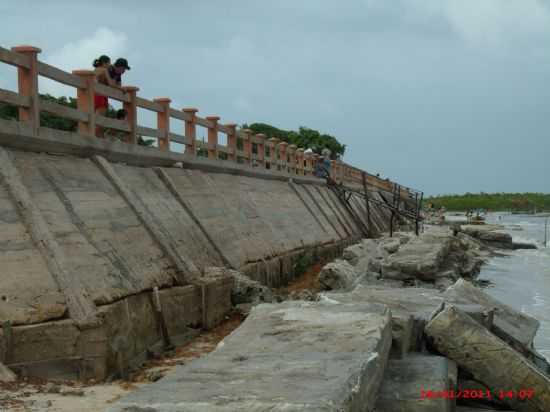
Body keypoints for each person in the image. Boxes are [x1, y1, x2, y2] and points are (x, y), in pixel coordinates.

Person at [93, 56, 130, 137]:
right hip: (99, 93)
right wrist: (121, 89)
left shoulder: (118, 73)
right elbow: (112, 84)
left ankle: (98, 136)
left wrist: (120, 88)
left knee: (101, 118)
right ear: (120, 67)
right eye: (124, 69)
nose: (124, 71)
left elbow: (118, 86)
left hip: (103, 94)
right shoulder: (108, 69)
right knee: (99, 118)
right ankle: (95, 136)